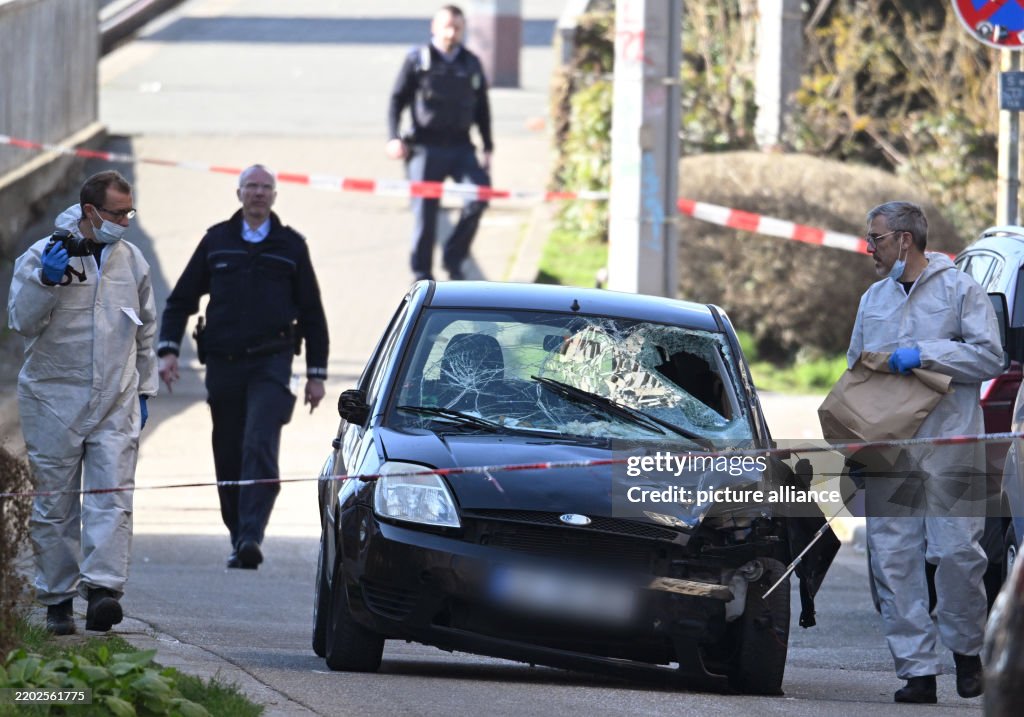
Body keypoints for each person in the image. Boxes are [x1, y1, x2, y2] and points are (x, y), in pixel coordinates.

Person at [846, 201, 1003, 703]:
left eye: (876, 238)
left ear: (904, 241)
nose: (870, 248)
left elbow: (990, 357)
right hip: (891, 448)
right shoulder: (873, 300)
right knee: (893, 558)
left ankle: (966, 651)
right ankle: (916, 672)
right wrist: (853, 433)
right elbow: (856, 369)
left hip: (952, 443)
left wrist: (928, 354)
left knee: (958, 553)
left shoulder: (960, 289)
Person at [156, 164, 329, 570]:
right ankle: (238, 533)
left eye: (265, 187)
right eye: (251, 186)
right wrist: (167, 351)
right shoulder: (217, 241)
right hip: (223, 364)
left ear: (274, 195)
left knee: (259, 443)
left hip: (272, 363)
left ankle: (253, 533)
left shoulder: (291, 246)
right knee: (229, 450)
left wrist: (317, 375)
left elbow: (312, 314)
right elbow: (180, 300)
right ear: (239, 194)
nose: (258, 193)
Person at [8, 170, 157, 635]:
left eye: (130, 212)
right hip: (54, 398)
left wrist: (145, 390)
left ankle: (103, 594)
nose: (125, 222)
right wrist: (44, 283)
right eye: (117, 213)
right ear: (91, 211)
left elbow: (146, 330)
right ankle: (56, 600)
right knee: (54, 504)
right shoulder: (42, 257)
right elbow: (21, 321)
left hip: (115, 398)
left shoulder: (131, 262)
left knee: (111, 496)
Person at [386, 4, 493, 282]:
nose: (450, 32)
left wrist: (488, 147)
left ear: (463, 29)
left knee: (479, 196)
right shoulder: (418, 60)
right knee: (426, 212)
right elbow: (396, 100)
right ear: (434, 27)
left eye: (456, 27)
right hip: (424, 147)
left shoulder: (471, 63)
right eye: (446, 26)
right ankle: (421, 274)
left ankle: (454, 258)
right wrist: (394, 138)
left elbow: (482, 108)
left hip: (460, 147)